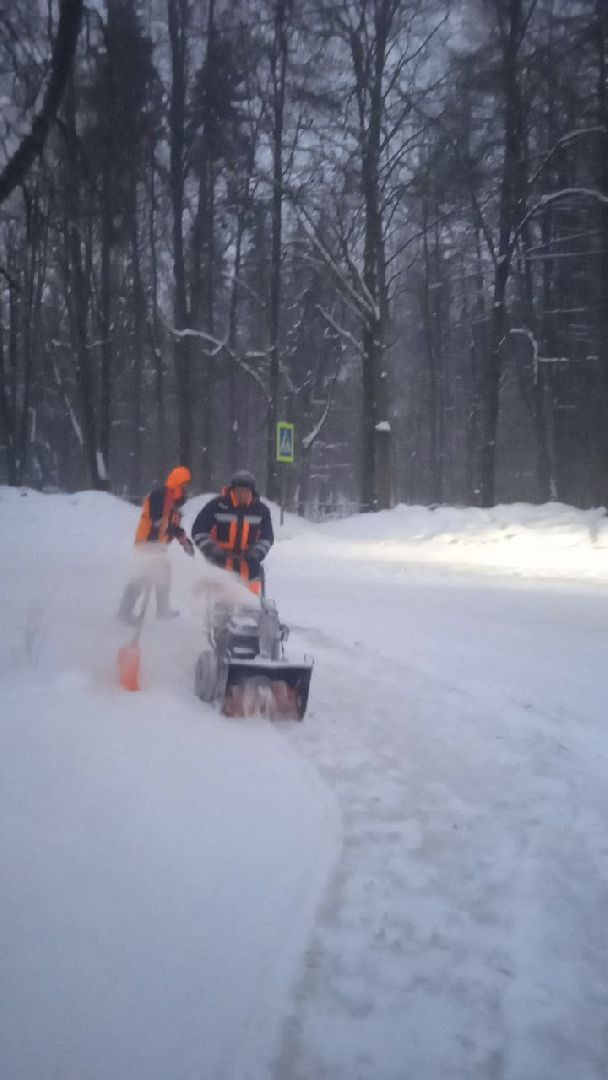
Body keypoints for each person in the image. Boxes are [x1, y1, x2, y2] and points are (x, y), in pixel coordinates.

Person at [117, 465, 195, 624]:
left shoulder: (175, 505)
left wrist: (184, 541)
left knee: (163, 574)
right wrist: (170, 532)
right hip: (147, 543)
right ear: (178, 484)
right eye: (185, 485)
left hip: (159, 546)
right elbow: (158, 520)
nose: (187, 489)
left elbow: (173, 526)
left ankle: (162, 609)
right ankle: (124, 613)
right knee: (142, 578)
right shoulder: (160, 495)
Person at [191, 469, 274, 594]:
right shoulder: (217, 506)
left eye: (246, 491)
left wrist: (257, 551)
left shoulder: (261, 510)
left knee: (252, 585)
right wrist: (211, 549)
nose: (242, 495)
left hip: (249, 559)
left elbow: (267, 536)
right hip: (220, 558)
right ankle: (221, 610)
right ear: (232, 490)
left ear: (252, 492)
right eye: (239, 491)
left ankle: (252, 607)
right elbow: (199, 530)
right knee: (222, 593)